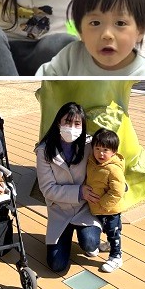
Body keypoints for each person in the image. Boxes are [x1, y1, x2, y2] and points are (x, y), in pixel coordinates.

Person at [36, 0, 145, 76]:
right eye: (95, 23)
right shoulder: (72, 56)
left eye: (120, 23)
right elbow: (43, 78)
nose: (107, 35)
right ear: (80, 30)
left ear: (140, 31)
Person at [35, 102, 101, 273]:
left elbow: (108, 163)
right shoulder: (44, 150)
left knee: (90, 243)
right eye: (67, 122)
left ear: (83, 126)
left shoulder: (89, 145)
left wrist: (118, 182)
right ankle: (66, 234)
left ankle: (87, 236)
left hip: (84, 208)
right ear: (59, 122)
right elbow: (47, 189)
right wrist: (79, 191)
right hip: (60, 210)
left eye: (77, 123)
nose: (72, 128)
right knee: (57, 265)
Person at [85, 128, 126, 273]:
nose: (100, 154)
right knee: (105, 229)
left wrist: (103, 204)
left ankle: (116, 256)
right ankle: (108, 244)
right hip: (97, 208)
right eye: (97, 149)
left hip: (110, 210)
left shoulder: (113, 169)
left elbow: (117, 191)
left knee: (113, 232)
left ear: (114, 152)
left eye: (105, 150)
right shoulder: (92, 162)